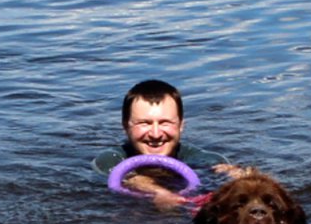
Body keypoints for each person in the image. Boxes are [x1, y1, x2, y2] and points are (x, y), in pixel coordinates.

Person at [92, 79, 239, 209]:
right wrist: (159, 192)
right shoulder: (110, 160)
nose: (155, 134)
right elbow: (130, 179)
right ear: (125, 126)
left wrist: (236, 176)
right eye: (144, 123)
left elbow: (226, 173)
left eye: (165, 123)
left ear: (181, 125)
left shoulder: (204, 159)